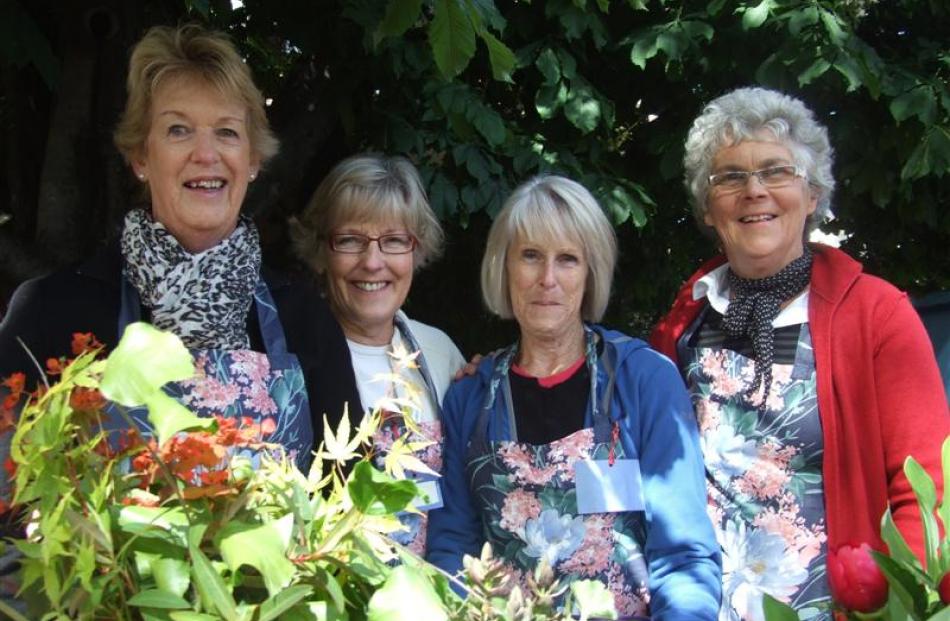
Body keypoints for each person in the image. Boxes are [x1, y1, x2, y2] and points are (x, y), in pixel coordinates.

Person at [0, 24, 361, 473]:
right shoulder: (52, 310)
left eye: (227, 132)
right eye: (178, 130)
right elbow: (11, 500)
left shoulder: (303, 317)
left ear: (252, 161)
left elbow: (347, 499)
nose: (206, 153)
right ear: (141, 158)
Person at [650, 86, 950, 620]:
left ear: (812, 196)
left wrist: (890, 607)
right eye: (731, 177)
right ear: (707, 207)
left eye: (776, 171)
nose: (754, 191)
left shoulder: (877, 316)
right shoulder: (685, 319)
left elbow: (927, 498)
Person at [426, 175, 721, 619]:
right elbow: (452, 547)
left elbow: (683, 555)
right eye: (530, 256)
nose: (548, 279)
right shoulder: (471, 397)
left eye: (568, 259)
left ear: (590, 273)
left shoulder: (644, 381)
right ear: (503, 267)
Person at [291, 154, 465, 554]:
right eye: (350, 240)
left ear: (415, 251)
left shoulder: (439, 351)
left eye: (394, 241)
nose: (373, 262)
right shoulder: (293, 356)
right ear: (322, 251)